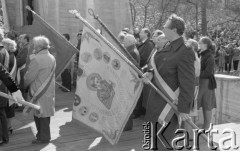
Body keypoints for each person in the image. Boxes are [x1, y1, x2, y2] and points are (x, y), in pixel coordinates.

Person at [143, 14, 195, 151]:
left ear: (174, 30)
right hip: (154, 104)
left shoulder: (185, 50)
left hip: (168, 108)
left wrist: (184, 108)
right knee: (150, 143)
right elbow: (159, 67)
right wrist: (150, 72)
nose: (163, 29)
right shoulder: (168, 46)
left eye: (165, 27)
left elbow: (188, 83)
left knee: (163, 145)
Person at [24, 35, 56, 144]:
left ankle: (43, 137)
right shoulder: (51, 57)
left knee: (40, 115)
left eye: (34, 46)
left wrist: (24, 84)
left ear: (38, 47)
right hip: (47, 90)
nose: (33, 47)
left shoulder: (37, 59)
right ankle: (43, 135)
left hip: (38, 90)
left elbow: (29, 77)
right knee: (44, 115)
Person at [133, 28, 154, 119]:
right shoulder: (143, 44)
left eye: (142, 32)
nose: (140, 34)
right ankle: (139, 110)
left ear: (146, 34)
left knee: (142, 92)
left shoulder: (148, 44)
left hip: (142, 70)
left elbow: (145, 58)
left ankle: (139, 110)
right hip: (140, 69)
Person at [197, 36, 217, 130]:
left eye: (200, 42)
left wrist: (196, 74)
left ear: (205, 44)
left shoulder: (210, 56)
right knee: (198, 104)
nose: (198, 44)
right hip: (200, 82)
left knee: (207, 105)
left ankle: (206, 127)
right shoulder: (199, 54)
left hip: (207, 83)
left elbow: (208, 72)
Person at [1, 38, 18, 134]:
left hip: (6, 85)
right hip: (11, 83)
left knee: (7, 107)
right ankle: (9, 126)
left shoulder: (7, 55)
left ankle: (7, 127)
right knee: (10, 106)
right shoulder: (12, 55)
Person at [16, 34, 30, 100]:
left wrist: (14, 64)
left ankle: (23, 104)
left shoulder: (26, 47)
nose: (20, 39)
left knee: (23, 87)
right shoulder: (24, 46)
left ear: (25, 39)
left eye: (21, 38)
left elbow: (22, 59)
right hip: (22, 68)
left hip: (23, 68)